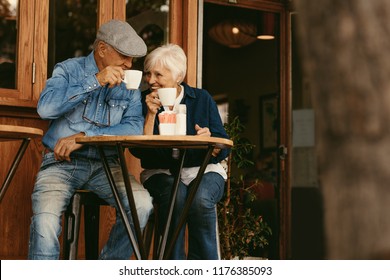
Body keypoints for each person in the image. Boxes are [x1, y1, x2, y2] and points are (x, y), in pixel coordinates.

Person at [28, 19, 153, 260]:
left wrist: (86, 137)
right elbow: (45, 109)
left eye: (132, 59)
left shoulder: (130, 84)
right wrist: (95, 80)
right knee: (45, 222)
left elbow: (134, 126)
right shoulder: (68, 70)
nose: (129, 64)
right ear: (102, 49)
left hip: (107, 165)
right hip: (60, 163)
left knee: (142, 205)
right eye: (124, 56)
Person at [130, 44, 230, 260]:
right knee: (175, 198)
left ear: (177, 76)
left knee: (200, 199)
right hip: (161, 173)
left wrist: (210, 140)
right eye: (148, 73)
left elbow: (223, 144)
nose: (150, 79)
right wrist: (149, 116)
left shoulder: (201, 99)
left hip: (203, 171)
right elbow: (138, 151)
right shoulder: (141, 101)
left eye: (158, 74)